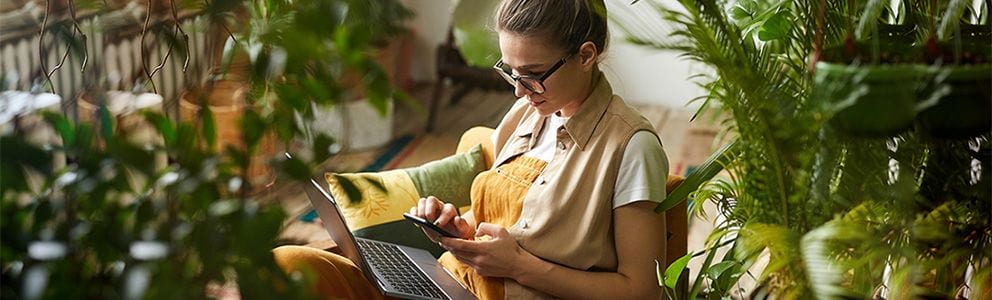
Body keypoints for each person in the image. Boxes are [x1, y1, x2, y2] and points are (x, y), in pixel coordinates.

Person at [274, 0, 669, 298]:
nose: (518, 90)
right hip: (453, 282)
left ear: (586, 56)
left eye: (532, 75)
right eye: (510, 72)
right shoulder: (523, 116)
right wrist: (457, 231)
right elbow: (511, 225)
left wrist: (519, 267)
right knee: (294, 263)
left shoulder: (631, 146)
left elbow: (641, 290)